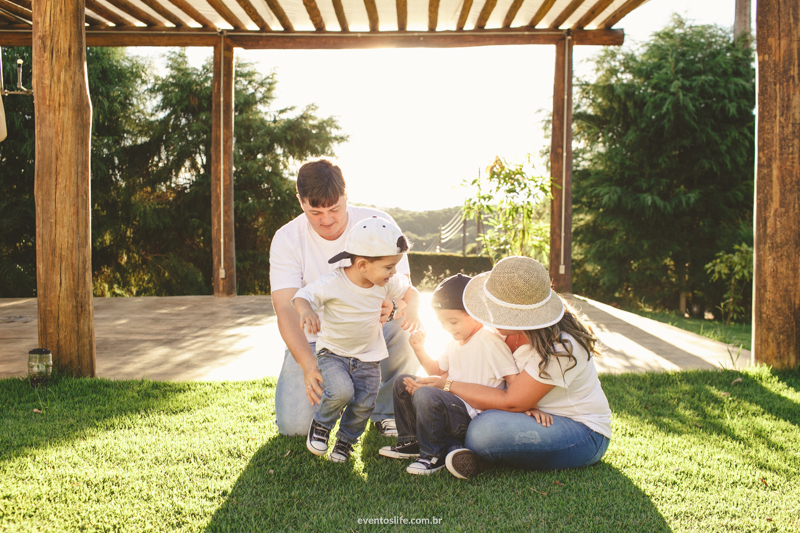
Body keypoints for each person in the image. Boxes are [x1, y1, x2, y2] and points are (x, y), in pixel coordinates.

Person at [405, 256, 612, 478]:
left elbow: (512, 401)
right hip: (522, 414)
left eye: (497, 311)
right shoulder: (498, 331)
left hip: (579, 430)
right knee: (471, 418)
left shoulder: (562, 345)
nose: (488, 316)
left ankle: (471, 453)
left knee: (484, 432)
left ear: (522, 316)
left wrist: (447, 385)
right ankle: (463, 452)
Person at [269, 159, 420, 437]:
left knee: (402, 323)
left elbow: (403, 288)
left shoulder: (379, 224)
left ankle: (386, 410)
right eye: (315, 212)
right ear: (300, 201)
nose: (326, 220)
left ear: (346, 196)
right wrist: (307, 363)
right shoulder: (287, 238)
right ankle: (343, 395)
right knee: (295, 428)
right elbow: (285, 309)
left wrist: (394, 305)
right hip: (318, 340)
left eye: (334, 209)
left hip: (370, 327)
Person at [294, 216, 420, 462]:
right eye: (389, 267)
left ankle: (345, 442)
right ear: (362, 265)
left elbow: (410, 291)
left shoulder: (383, 282)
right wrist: (306, 311)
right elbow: (302, 296)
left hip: (369, 358)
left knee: (364, 403)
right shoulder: (333, 282)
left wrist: (412, 307)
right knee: (341, 392)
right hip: (333, 353)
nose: (393, 272)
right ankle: (321, 424)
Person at [380, 274, 519, 475]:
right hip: (449, 404)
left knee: (426, 394)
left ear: (476, 313)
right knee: (404, 382)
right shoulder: (454, 340)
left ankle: (432, 455)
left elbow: (513, 383)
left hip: (471, 416)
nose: (447, 328)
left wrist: (528, 407)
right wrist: (419, 349)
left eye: (453, 322)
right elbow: (437, 373)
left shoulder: (490, 342)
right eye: (442, 322)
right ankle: (411, 442)